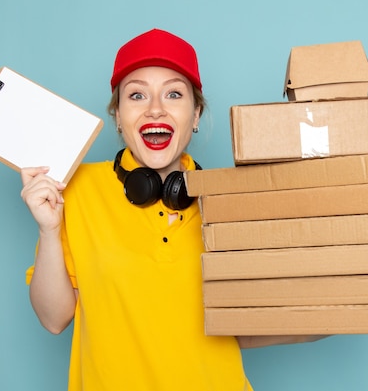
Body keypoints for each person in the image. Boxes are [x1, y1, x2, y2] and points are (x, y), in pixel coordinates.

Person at [20, 28, 324, 391]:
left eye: (174, 94)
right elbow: (54, 319)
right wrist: (49, 229)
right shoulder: (76, 188)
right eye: (137, 95)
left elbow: (250, 326)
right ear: (118, 115)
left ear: (195, 114)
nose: (155, 109)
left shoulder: (232, 202)